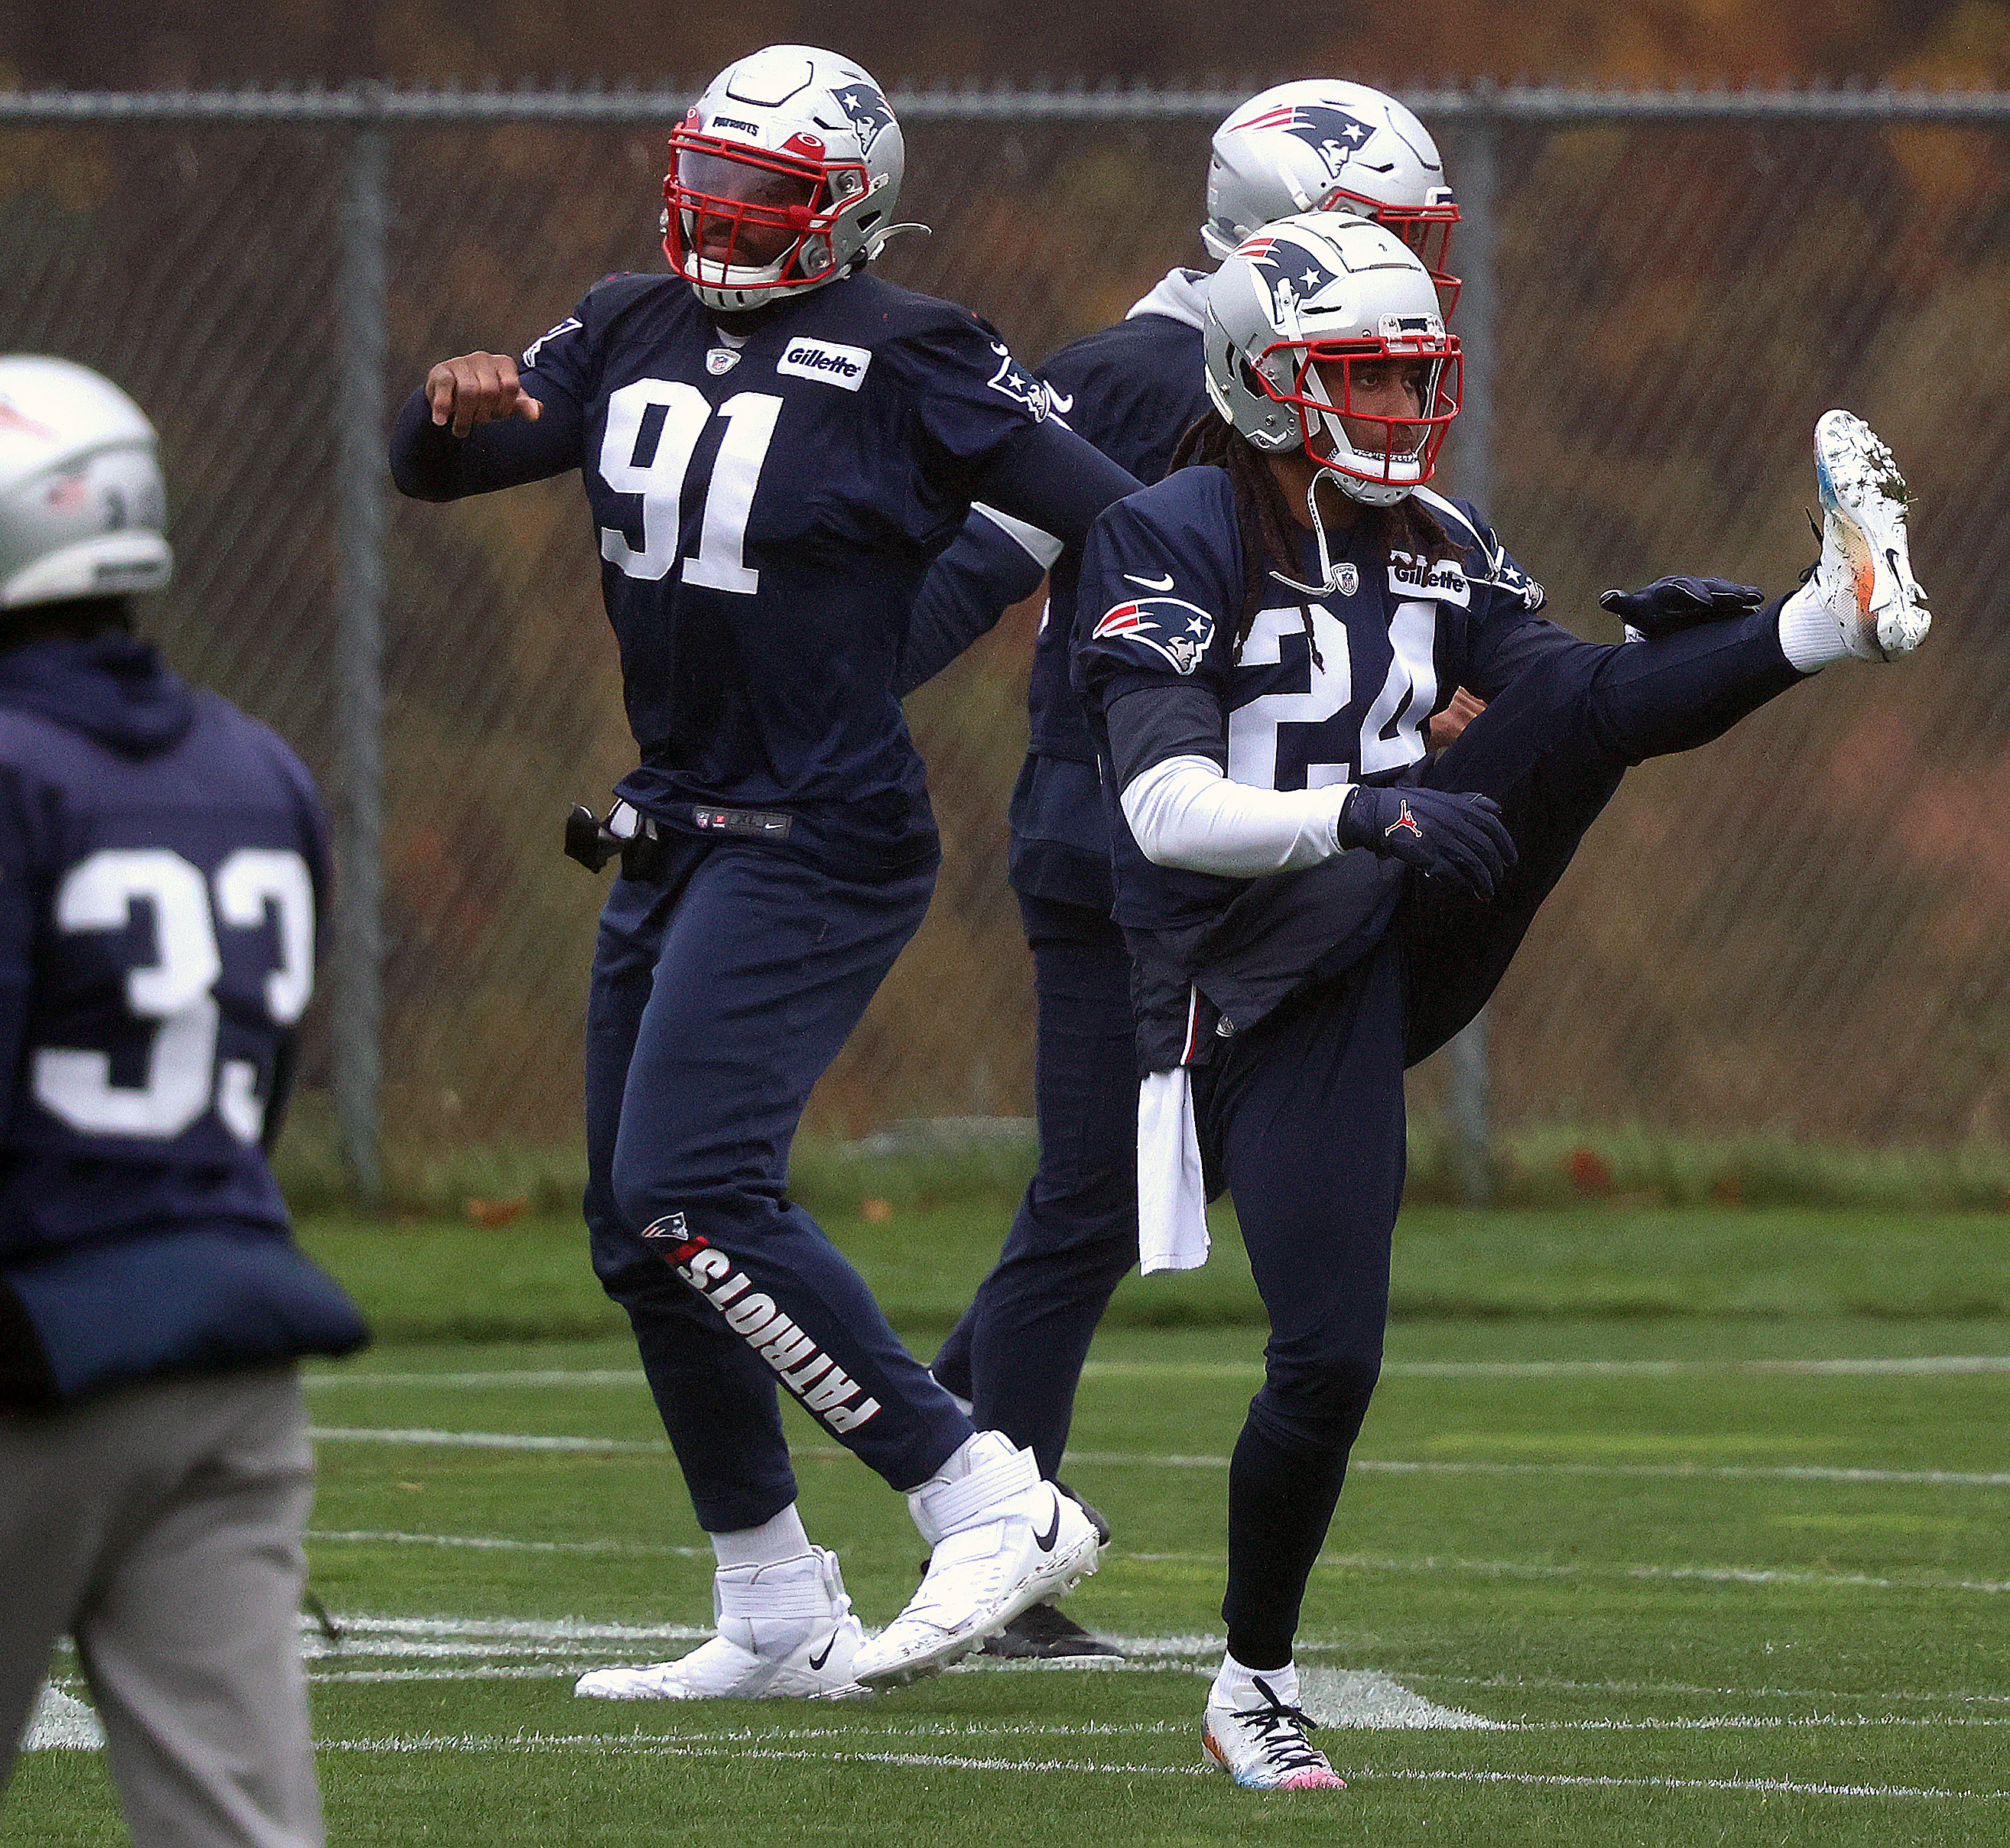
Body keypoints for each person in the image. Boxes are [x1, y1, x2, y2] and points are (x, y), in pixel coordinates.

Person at [1070, 209, 1927, 1788]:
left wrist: (1705, 649)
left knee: (1582, 698)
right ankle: (1248, 1685)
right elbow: (1159, 810)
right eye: (1365, 382)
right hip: (1260, 980)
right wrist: (1359, 810)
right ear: (1265, 381)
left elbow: (1543, 688)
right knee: (1326, 1359)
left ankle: (1824, 617)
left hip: (1403, 903)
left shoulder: (1431, 538)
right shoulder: (1166, 532)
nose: (1403, 414)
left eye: (1412, 380)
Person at [389, 44, 1145, 1698]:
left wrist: (1141, 668)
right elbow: (442, 468)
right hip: (676, 821)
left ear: (850, 212)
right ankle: (769, 1607)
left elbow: (1128, 520)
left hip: (819, 833)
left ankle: (982, 1493)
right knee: (629, 1225)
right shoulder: (628, 319)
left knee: (688, 1188)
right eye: (712, 180)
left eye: (766, 194)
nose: (725, 216)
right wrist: (442, 409)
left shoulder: (916, 350)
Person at [900, 82, 1461, 1659]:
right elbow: (976, 574)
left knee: (1148, 1187)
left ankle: (938, 1424)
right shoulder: (1146, 374)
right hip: (1120, 840)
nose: (1400, 276)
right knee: (1094, 1198)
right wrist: (820, 701)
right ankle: (992, 1523)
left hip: (1246, 855)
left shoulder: (1294, 379)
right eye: (1377, 237)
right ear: (1274, 238)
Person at [0, 356, 367, 1847]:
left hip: (24, 1358)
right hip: (235, 1358)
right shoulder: (261, 767)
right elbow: (259, 1086)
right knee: (238, 1829)